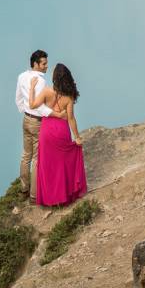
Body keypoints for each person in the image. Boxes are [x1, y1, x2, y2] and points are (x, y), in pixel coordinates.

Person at [35, 63, 87, 207]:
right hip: (61, 132)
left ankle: (49, 200)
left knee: (47, 166)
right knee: (62, 165)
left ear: (54, 78)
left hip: (46, 131)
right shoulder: (68, 97)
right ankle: (64, 198)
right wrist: (77, 137)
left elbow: (35, 106)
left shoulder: (46, 91)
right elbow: (71, 118)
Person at [15, 49, 52, 199]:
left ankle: (24, 189)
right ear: (35, 64)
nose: (46, 66)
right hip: (37, 122)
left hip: (26, 119)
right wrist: (53, 114)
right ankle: (34, 195)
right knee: (37, 158)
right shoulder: (41, 80)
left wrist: (25, 111)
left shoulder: (22, 76)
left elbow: (18, 98)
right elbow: (40, 105)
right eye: (44, 63)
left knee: (25, 156)